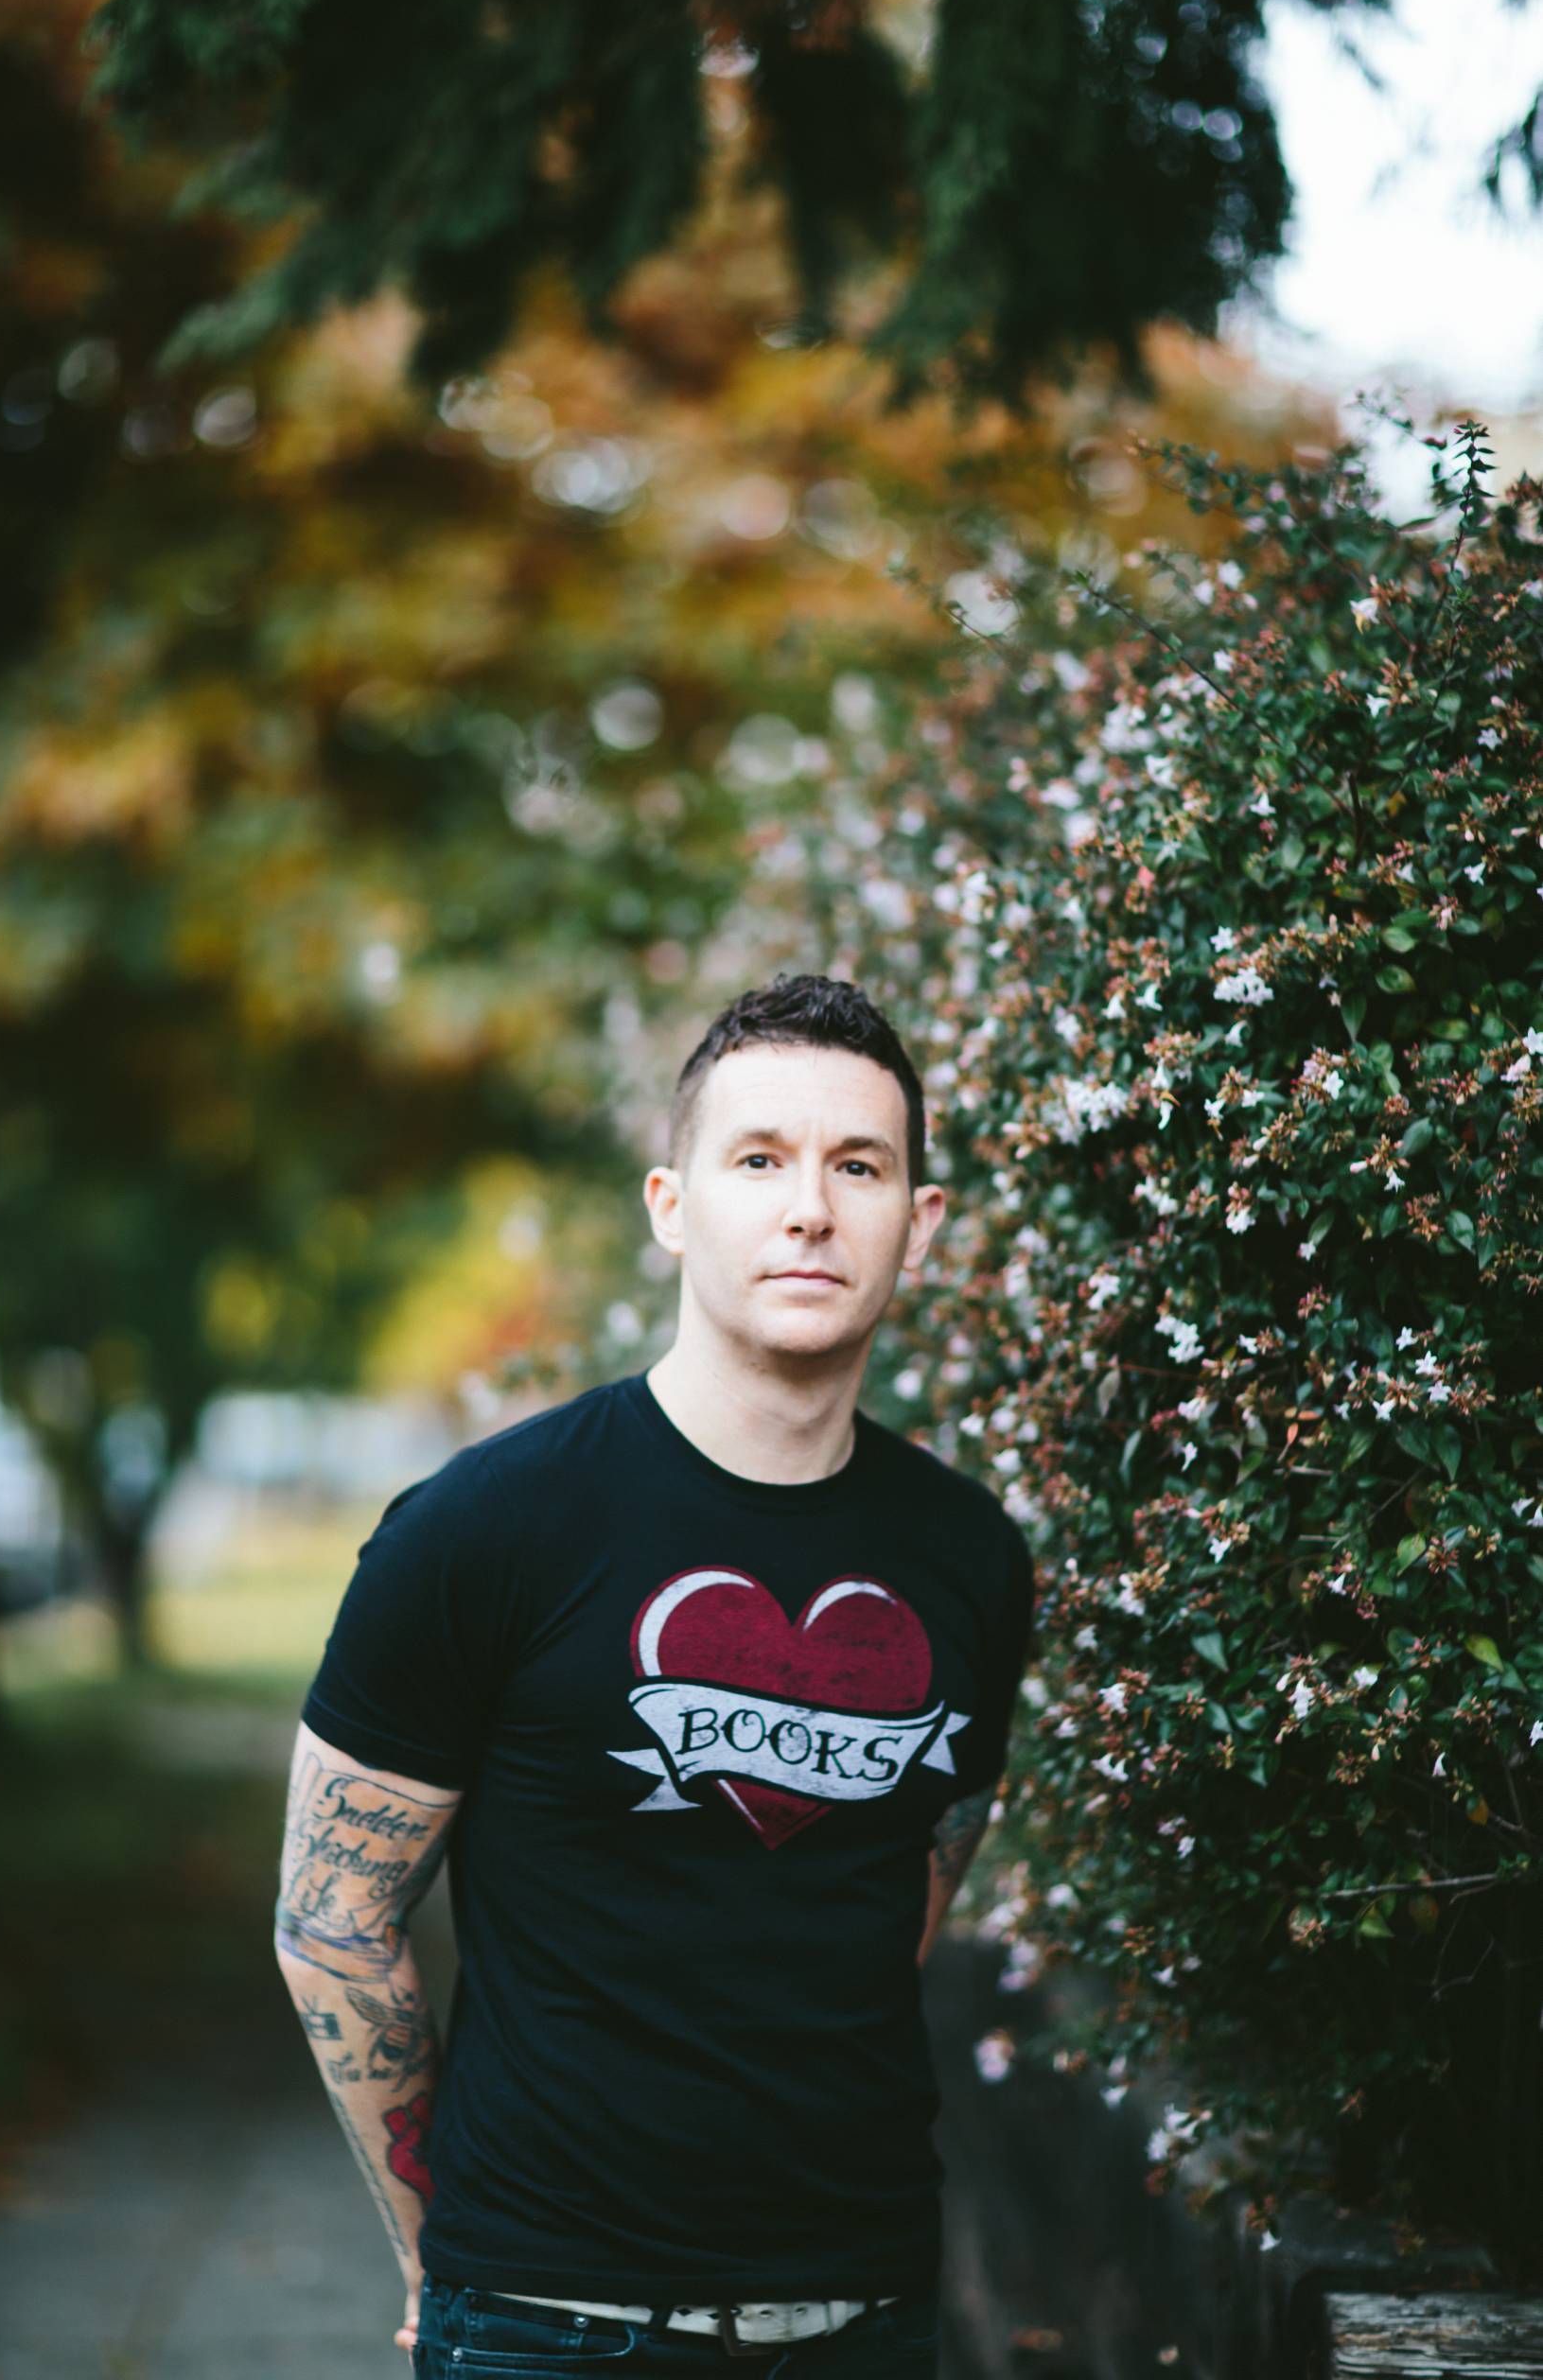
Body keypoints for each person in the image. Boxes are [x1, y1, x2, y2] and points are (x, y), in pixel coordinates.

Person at [273, 971, 1036, 2376]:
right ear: (672, 1206)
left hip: (864, 2312)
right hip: (545, 2324)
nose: (809, 1207)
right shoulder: (484, 1531)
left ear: (917, 1223)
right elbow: (332, 1923)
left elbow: (906, 1889)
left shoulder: (972, 1560)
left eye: (857, 1166)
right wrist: (430, 2245)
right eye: (759, 1161)